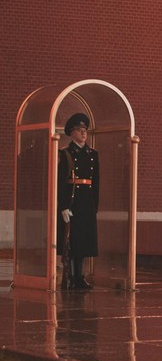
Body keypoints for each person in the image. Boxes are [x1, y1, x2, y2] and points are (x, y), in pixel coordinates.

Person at [58, 113, 100, 289]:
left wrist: (94, 205)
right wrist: (63, 206)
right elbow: (61, 182)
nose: (83, 133)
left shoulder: (93, 154)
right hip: (72, 202)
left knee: (84, 241)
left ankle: (79, 276)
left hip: (86, 203)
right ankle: (71, 277)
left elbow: (96, 182)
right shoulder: (66, 153)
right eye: (79, 130)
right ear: (71, 132)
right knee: (72, 242)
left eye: (85, 130)